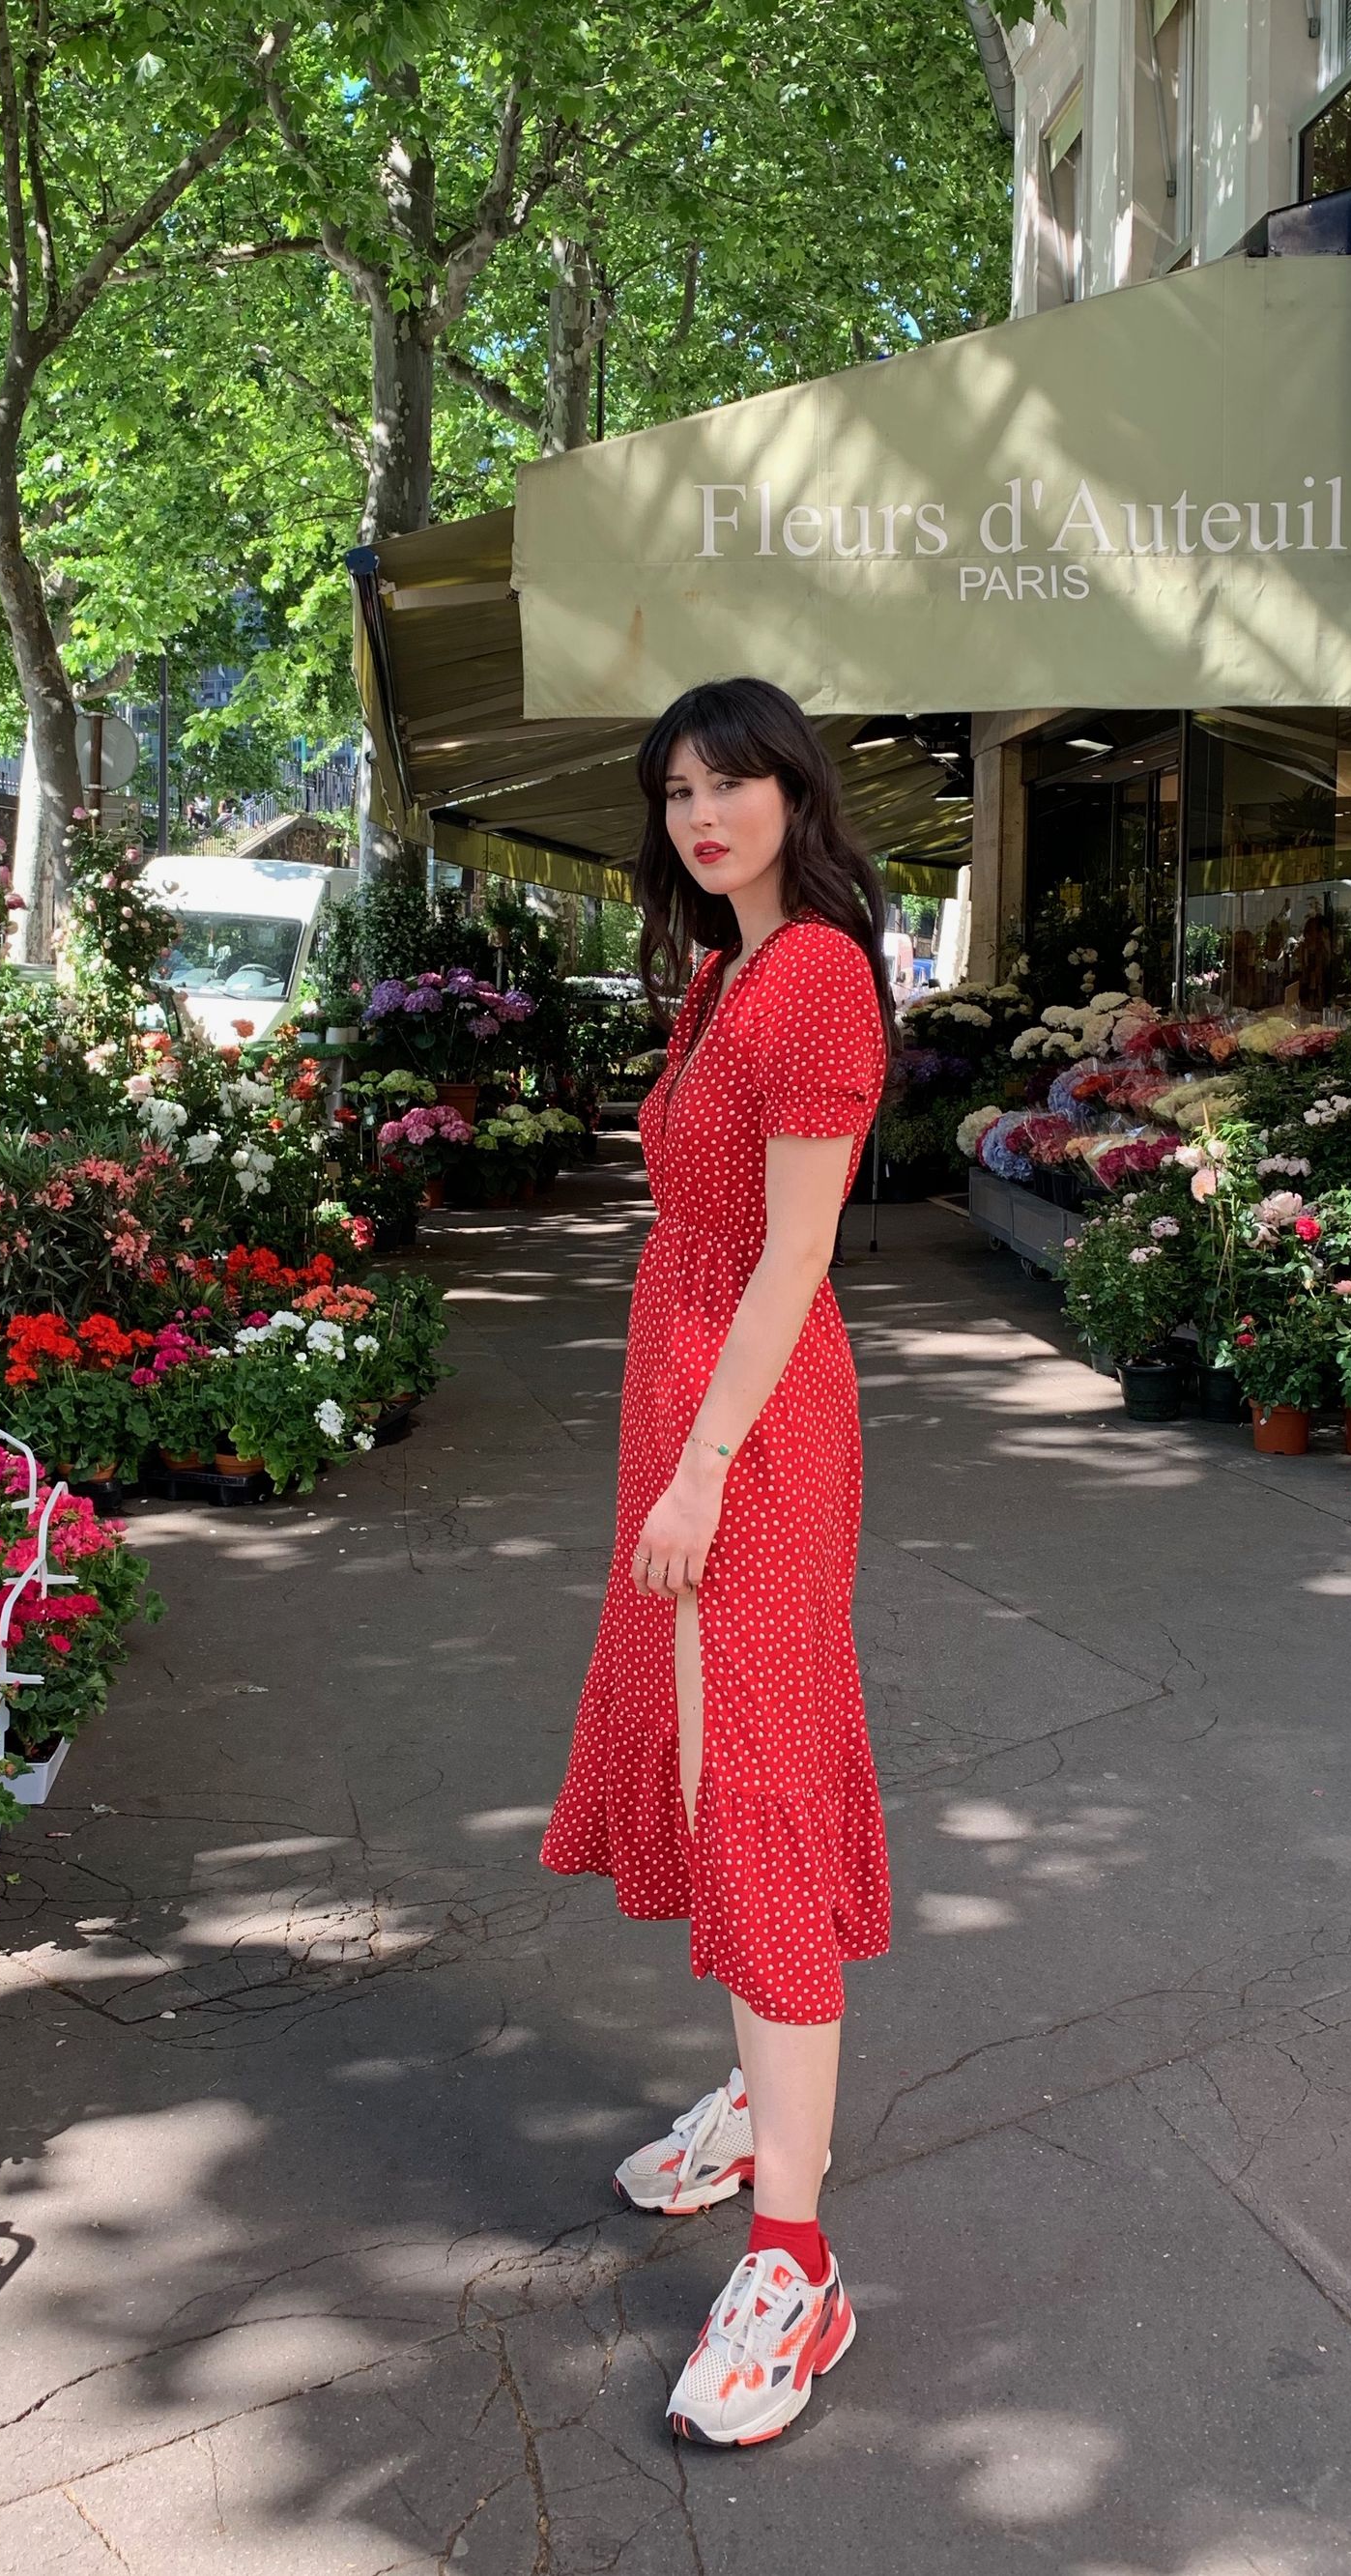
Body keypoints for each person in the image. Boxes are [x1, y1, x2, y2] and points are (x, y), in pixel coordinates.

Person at [541, 674, 893, 2449]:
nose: (700, 810)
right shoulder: (724, 970)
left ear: (792, 794)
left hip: (746, 1431)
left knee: (749, 1787)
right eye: (676, 786)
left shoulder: (815, 971)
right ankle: (764, 2115)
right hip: (691, 1406)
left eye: (731, 779)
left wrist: (698, 1466)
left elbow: (793, 1253)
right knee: (703, 1765)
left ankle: (798, 2256)